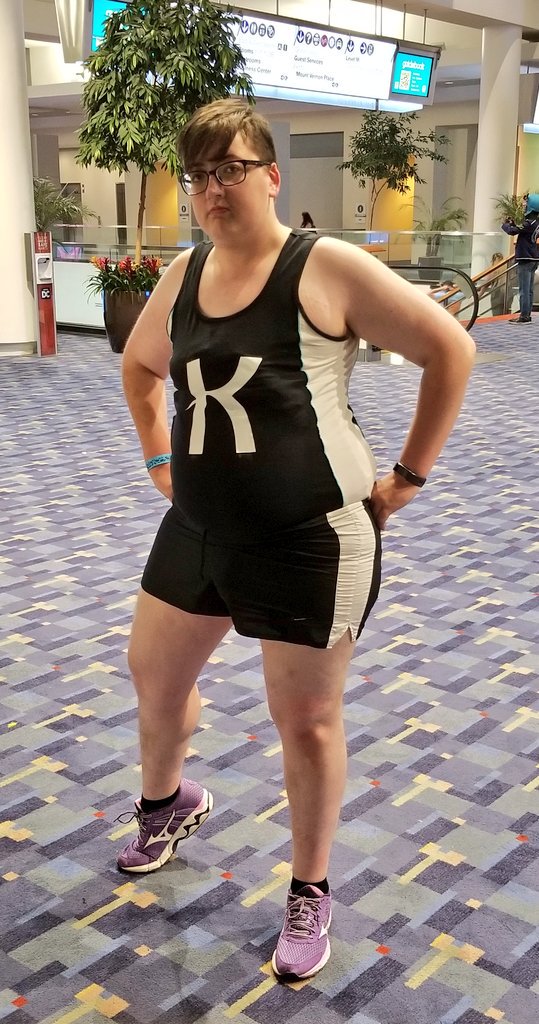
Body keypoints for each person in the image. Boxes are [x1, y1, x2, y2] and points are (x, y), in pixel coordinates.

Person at [120, 98, 476, 981]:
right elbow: (140, 365)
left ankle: (309, 889)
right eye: (198, 175)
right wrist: (160, 457)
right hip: (199, 527)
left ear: (271, 175)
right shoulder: (185, 272)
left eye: (230, 169)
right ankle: (167, 804)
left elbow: (449, 350)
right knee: (154, 676)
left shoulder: (325, 266)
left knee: (306, 723)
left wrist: (408, 476)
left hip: (310, 537)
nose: (213, 189)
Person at [502, 193, 539, 324]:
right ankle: (527, 314)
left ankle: (523, 316)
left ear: (532, 206)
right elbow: (520, 229)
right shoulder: (536, 223)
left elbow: (512, 231)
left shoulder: (529, 223)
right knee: (529, 290)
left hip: (525, 258)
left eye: (526, 203)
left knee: (524, 289)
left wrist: (505, 225)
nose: (524, 205)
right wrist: (513, 224)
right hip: (533, 258)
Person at [478, 252, 506, 317]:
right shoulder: (506, 267)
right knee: (506, 312)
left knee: (496, 313)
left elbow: (486, 283)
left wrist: (479, 295)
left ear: (493, 260)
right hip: (507, 292)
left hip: (496, 293)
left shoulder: (494, 269)